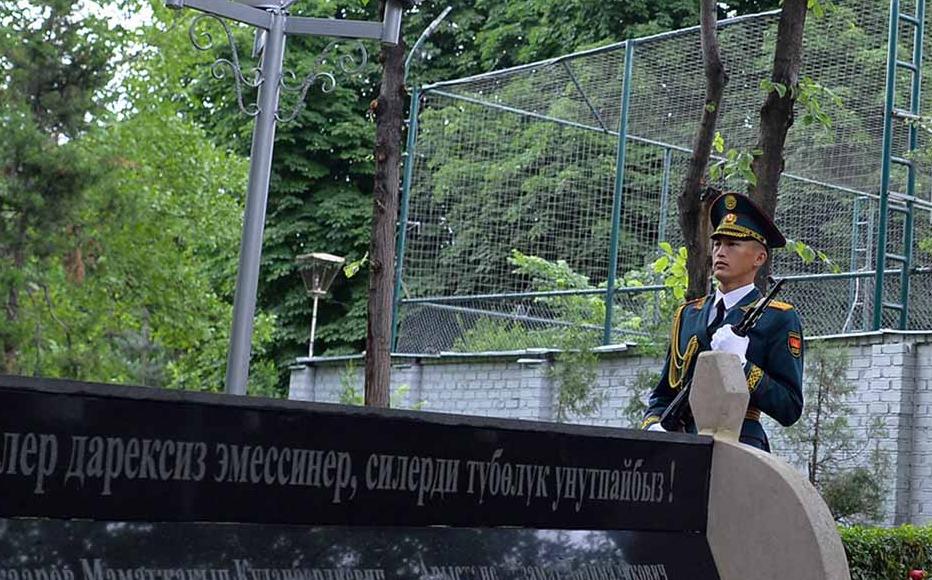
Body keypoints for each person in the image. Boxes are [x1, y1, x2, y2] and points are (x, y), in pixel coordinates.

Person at [640, 191, 804, 451]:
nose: (720, 252)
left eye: (732, 244)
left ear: (759, 258)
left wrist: (742, 365)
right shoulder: (688, 314)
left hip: (740, 445)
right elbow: (663, 394)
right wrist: (654, 426)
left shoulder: (778, 317)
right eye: (717, 244)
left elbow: (789, 407)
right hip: (684, 444)